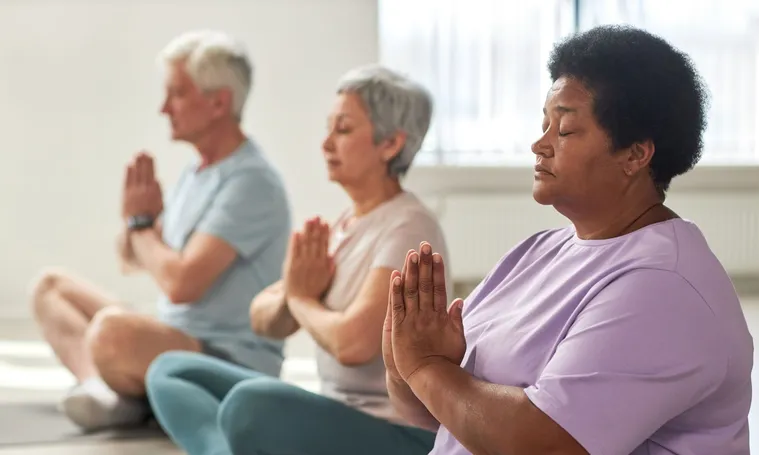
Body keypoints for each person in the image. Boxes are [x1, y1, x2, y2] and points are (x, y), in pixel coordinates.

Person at [384, 25, 754, 455]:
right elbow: (444, 412)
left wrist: (426, 365)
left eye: (565, 130)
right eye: (544, 124)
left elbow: (542, 444)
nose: (539, 145)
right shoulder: (537, 251)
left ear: (635, 154)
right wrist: (405, 363)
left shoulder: (663, 285)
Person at [145, 64, 450, 455]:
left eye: (342, 130)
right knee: (170, 368)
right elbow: (263, 320)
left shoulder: (408, 227)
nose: (325, 144)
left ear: (390, 144)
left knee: (251, 404)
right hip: (338, 414)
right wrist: (296, 291)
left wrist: (303, 299)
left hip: (393, 432)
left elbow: (353, 344)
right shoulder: (341, 226)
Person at [28, 30, 291, 431]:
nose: (164, 108)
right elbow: (132, 260)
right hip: (175, 335)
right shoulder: (197, 171)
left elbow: (182, 283)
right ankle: (104, 390)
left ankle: (121, 394)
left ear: (218, 102)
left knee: (111, 332)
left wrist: (141, 224)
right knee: (50, 287)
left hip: (227, 361)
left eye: (177, 94)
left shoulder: (251, 181)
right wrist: (136, 223)